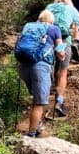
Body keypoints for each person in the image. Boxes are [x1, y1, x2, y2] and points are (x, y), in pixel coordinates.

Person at [14, 9, 66, 137]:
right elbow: (60, 52)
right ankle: (31, 135)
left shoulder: (28, 26)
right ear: (51, 21)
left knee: (36, 97)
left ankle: (37, 125)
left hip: (23, 66)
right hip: (40, 67)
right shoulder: (54, 29)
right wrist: (62, 56)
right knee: (39, 102)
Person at [46, 0, 79, 118]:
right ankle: (59, 101)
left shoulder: (49, 7)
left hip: (48, 43)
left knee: (49, 68)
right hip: (64, 42)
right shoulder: (71, 8)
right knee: (63, 72)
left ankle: (44, 98)